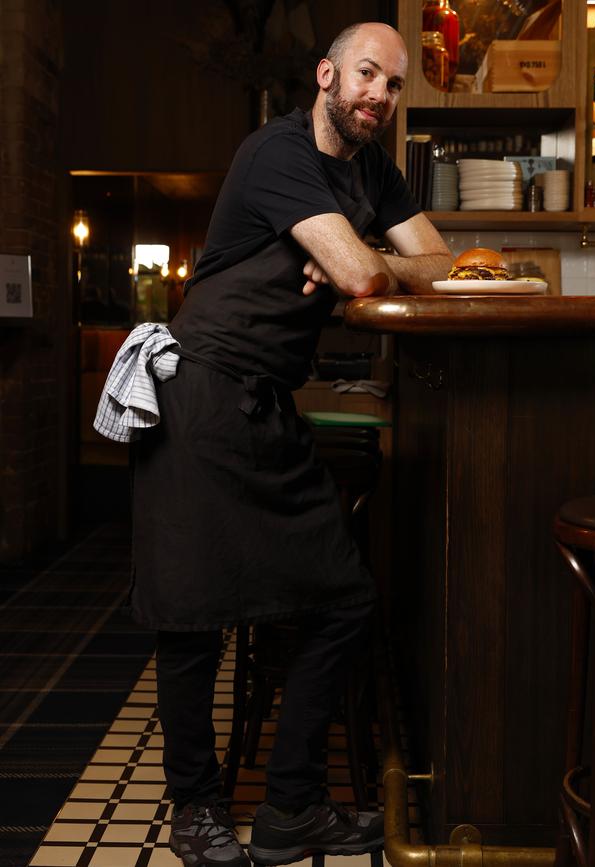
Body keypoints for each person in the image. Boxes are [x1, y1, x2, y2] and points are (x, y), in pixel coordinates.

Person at [129, 20, 452, 867]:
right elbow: (360, 280)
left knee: (346, 600)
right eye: (367, 75)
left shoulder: (373, 172)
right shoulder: (276, 154)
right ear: (327, 76)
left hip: (266, 406)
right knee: (193, 621)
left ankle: (289, 808)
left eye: (393, 83)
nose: (380, 94)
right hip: (198, 397)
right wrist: (366, 261)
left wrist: (372, 251)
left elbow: (440, 264)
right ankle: (196, 810)